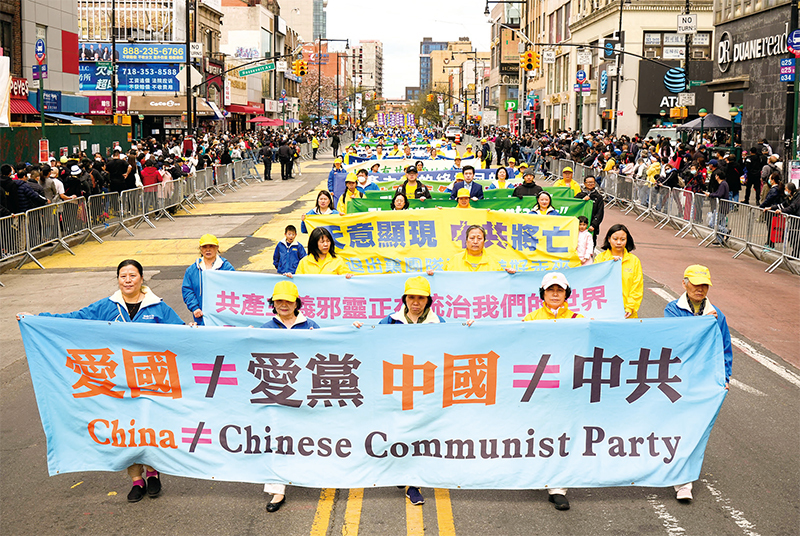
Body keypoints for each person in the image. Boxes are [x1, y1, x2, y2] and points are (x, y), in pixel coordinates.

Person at [16, 259, 186, 503]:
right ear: (118, 279)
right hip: (116, 385)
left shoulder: (157, 307)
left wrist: (193, 329)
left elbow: (181, 332)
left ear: (141, 278)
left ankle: (153, 473)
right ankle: (136, 480)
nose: (127, 280)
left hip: (149, 381)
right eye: (123, 276)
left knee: (149, 428)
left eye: (132, 275)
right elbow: (74, 319)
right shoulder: (107, 306)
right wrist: (38, 320)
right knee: (127, 431)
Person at [352, 276, 446, 506]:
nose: (416, 302)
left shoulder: (440, 323)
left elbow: (456, 345)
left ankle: (413, 484)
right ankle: (400, 472)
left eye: (421, 298)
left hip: (425, 387)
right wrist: (358, 330)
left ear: (428, 300)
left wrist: (470, 329)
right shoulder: (391, 322)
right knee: (397, 431)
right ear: (404, 299)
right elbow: (371, 339)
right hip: (396, 387)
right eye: (411, 297)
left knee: (419, 434)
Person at [664, 264, 732, 502]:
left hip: (705, 380)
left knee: (696, 429)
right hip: (677, 379)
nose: (700, 289)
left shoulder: (717, 314)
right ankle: (674, 473)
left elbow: (724, 348)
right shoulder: (672, 309)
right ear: (684, 283)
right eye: (695, 284)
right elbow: (676, 338)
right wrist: (702, 323)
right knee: (675, 425)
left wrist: (724, 378)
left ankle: (684, 481)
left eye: (704, 285)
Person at [520, 271, 583, 510]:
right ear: (542, 293)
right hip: (538, 386)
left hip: (568, 387)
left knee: (563, 433)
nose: (555, 294)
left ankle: (558, 487)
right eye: (550, 290)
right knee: (536, 431)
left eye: (560, 290)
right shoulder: (530, 319)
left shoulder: (579, 319)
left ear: (567, 294)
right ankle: (537, 473)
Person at [258, 280, 319, 512]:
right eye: (279, 301)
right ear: (273, 303)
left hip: (304, 391)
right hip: (276, 393)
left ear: (297, 303)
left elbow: (326, 352)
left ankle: (312, 473)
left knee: (307, 435)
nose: (283, 305)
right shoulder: (265, 328)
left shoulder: (311, 326)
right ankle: (277, 490)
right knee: (276, 437)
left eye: (288, 301)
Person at [182, 234, 236, 325]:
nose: (208, 249)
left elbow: (234, 287)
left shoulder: (227, 268)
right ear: (200, 249)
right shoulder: (192, 270)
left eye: (211, 246)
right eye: (205, 247)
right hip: (202, 316)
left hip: (223, 315)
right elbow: (188, 290)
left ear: (217, 248)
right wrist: (195, 308)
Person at [594, 224, 643, 318]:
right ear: (609, 239)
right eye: (615, 239)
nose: (619, 242)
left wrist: (630, 308)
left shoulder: (634, 261)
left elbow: (637, 287)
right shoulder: (600, 259)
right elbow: (595, 281)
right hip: (604, 311)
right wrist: (609, 264)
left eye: (622, 239)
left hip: (626, 313)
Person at [444, 225, 515, 273]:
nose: (475, 241)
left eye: (479, 238)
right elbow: (444, 281)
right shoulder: (454, 261)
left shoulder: (494, 264)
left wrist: (511, 275)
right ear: (466, 240)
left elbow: (501, 284)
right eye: (472, 238)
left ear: (484, 241)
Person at [574, 176, 604, 246]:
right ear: (584, 183)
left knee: (590, 245)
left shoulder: (598, 197)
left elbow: (600, 212)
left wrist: (594, 225)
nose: (590, 184)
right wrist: (582, 201)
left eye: (592, 182)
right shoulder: (579, 195)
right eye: (588, 182)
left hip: (591, 227)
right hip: (579, 226)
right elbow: (574, 206)